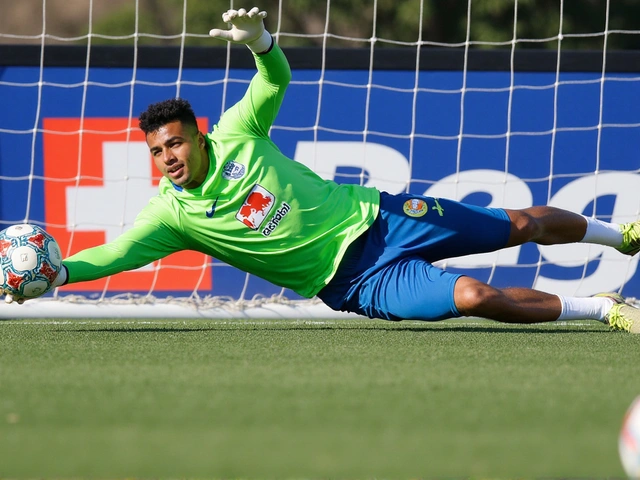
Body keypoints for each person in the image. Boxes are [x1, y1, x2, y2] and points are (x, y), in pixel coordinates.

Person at [3, 7, 640, 333]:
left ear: (197, 137)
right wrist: (56, 272)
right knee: (476, 296)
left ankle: (620, 236)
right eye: (156, 152)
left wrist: (260, 42)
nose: (166, 158)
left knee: (521, 222)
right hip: (356, 285)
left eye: (173, 144)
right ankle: (602, 309)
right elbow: (110, 257)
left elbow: (274, 77)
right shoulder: (172, 215)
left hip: (385, 221)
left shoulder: (238, 132)